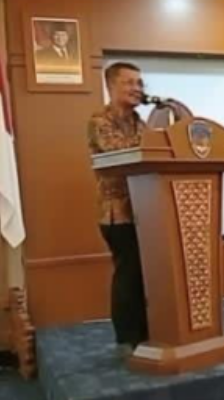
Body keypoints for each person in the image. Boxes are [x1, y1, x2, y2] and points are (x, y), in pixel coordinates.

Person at [87, 62, 147, 355]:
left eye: (140, 83)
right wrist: (153, 141)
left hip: (146, 208)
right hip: (117, 213)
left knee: (146, 273)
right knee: (128, 272)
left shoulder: (140, 121)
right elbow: (124, 152)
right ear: (111, 86)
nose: (137, 89)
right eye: (130, 83)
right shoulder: (100, 121)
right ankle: (127, 337)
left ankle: (146, 332)